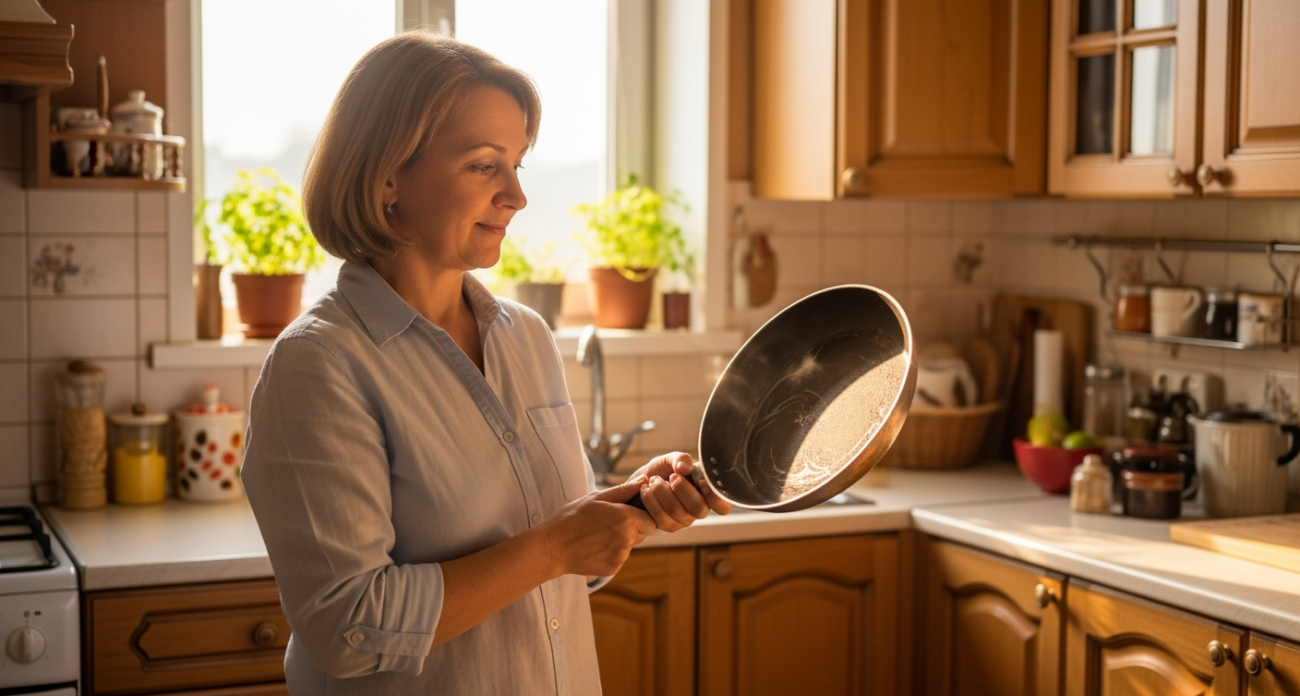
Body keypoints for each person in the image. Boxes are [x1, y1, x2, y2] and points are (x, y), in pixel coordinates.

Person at [241, 31, 729, 695]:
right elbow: (347, 629)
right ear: (388, 179)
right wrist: (555, 546)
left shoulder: (525, 336)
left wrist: (629, 510)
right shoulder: (319, 365)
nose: (516, 197)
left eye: (518, 165)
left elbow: (557, 552)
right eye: (483, 165)